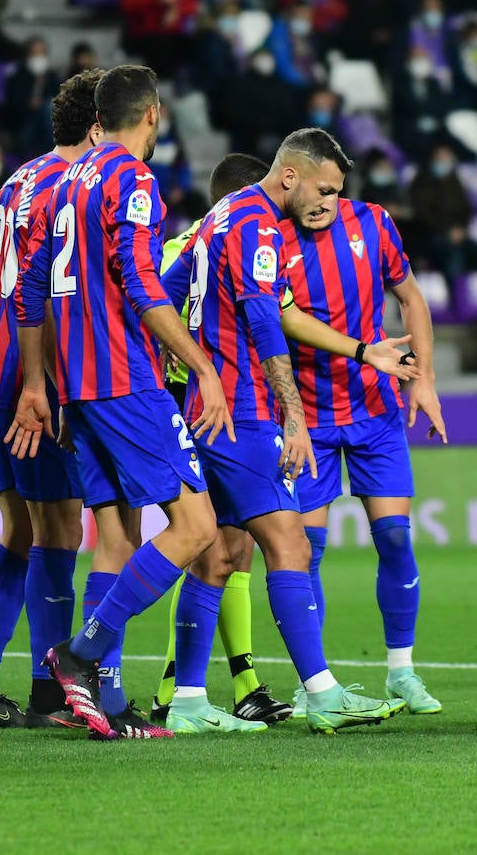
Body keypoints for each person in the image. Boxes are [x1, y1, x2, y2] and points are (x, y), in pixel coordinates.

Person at [157, 128, 416, 735]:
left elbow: (166, 299)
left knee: (217, 555)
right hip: (245, 413)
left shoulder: (216, 218)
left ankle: (189, 699)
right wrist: (292, 417)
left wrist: (189, 375)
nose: (328, 200)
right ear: (292, 175)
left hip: (206, 406)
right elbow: (265, 323)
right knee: (291, 547)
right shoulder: (260, 225)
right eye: (324, 187)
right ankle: (322, 693)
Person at [9, 64, 234, 741]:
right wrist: (202, 366)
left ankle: (105, 702)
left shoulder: (64, 182)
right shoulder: (131, 179)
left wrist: (34, 384)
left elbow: (30, 291)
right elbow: (138, 279)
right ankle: (80, 654)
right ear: (153, 116)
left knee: (117, 538)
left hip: (75, 387)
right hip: (124, 382)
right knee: (196, 528)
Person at [0, 70, 102, 731]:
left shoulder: (17, 180)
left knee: (20, 529)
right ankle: (48, 693)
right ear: (101, 126)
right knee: (60, 530)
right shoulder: (77, 189)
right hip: (31, 377)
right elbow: (46, 294)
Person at [279, 189, 448, 717]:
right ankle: (316, 681)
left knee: (395, 537)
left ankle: (402, 670)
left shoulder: (373, 222)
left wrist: (424, 379)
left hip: (374, 407)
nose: (322, 200)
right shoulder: (272, 234)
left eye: (332, 189)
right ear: (292, 181)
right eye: (313, 189)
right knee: (306, 551)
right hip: (309, 416)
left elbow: (411, 297)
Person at [149, 153, 290, 726]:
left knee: (224, 551)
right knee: (216, 549)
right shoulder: (242, 236)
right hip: (214, 405)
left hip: (185, 403)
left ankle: (228, 685)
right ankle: (176, 688)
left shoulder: (179, 247)